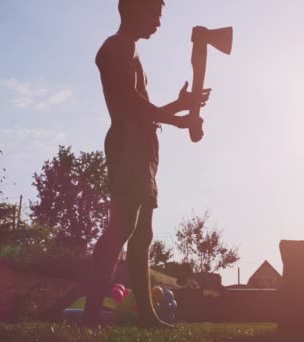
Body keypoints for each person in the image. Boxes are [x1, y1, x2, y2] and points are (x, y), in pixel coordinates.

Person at [82, 0, 210, 328]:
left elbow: (141, 109)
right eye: (154, 15)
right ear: (135, 11)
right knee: (121, 228)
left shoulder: (131, 50)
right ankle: (91, 314)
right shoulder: (115, 48)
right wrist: (179, 120)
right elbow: (131, 105)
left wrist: (179, 106)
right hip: (127, 147)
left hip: (142, 150)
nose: (157, 23)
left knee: (143, 235)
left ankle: (147, 317)